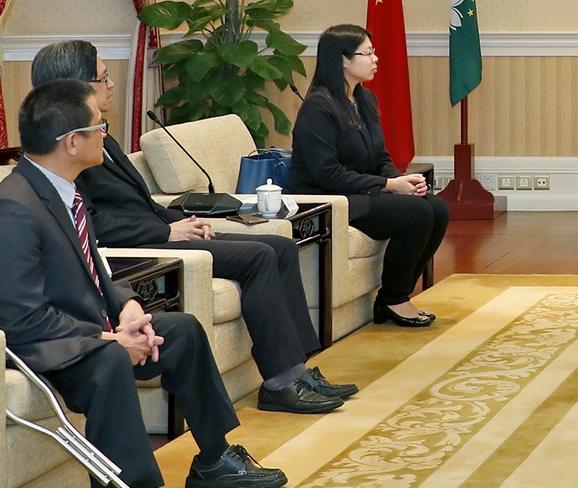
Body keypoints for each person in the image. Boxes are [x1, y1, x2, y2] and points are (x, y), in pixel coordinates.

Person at [0, 80, 287, 488]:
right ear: (71, 142)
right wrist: (108, 340)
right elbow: (17, 318)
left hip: (77, 329)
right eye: (98, 126)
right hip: (35, 345)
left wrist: (127, 305)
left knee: (181, 331)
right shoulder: (11, 210)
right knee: (111, 361)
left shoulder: (59, 189)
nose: (105, 133)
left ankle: (214, 459)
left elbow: (92, 268)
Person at [33, 40, 353, 414]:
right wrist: (166, 233)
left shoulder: (103, 136)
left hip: (160, 235)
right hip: (140, 251)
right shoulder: (68, 151)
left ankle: (299, 370)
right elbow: (93, 225)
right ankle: (280, 383)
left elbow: (141, 202)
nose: (111, 84)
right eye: (103, 78)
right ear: (76, 86)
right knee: (259, 256)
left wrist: (179, 221)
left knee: (279, 246)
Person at [286, 25, 448, 326]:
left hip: (358, 192)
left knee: (437, 208)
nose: (375, 59)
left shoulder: (365, 99)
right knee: (417, 213)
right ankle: (393, 299)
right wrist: (388, 185)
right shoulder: (318, 107)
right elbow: (327, 173)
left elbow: (379, 156)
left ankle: (395, 294)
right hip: (327, 199)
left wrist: (401, 181)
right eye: (368, 53)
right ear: (343, 60)